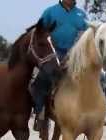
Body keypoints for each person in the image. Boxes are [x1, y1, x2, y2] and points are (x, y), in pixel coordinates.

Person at [32, 0, 89, 131]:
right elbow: (39, 32)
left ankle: (89, 114)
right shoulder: (50, 12)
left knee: (90, 78)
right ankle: (40, 114)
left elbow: (87, 36)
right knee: (42, 79)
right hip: (52, 52)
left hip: (73, 54)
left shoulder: (82, 15)